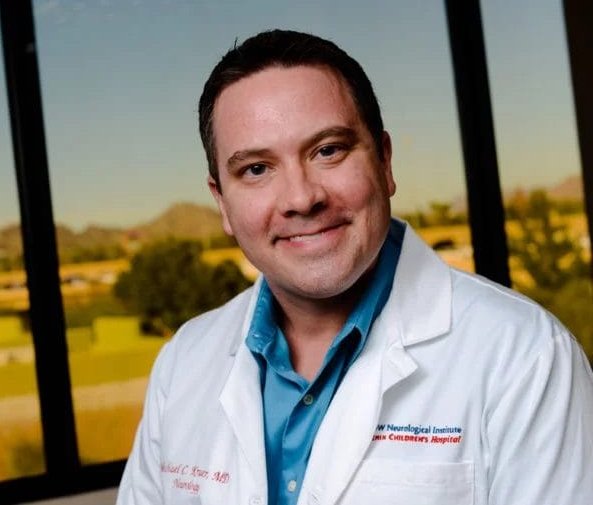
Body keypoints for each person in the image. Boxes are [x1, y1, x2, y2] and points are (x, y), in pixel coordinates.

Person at [116, 29, 593, 505]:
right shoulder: (183, 362)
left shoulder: (526, 355)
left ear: (384, 162)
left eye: (328, 150)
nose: (302, 198)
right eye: (257, 169)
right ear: (221, 201)